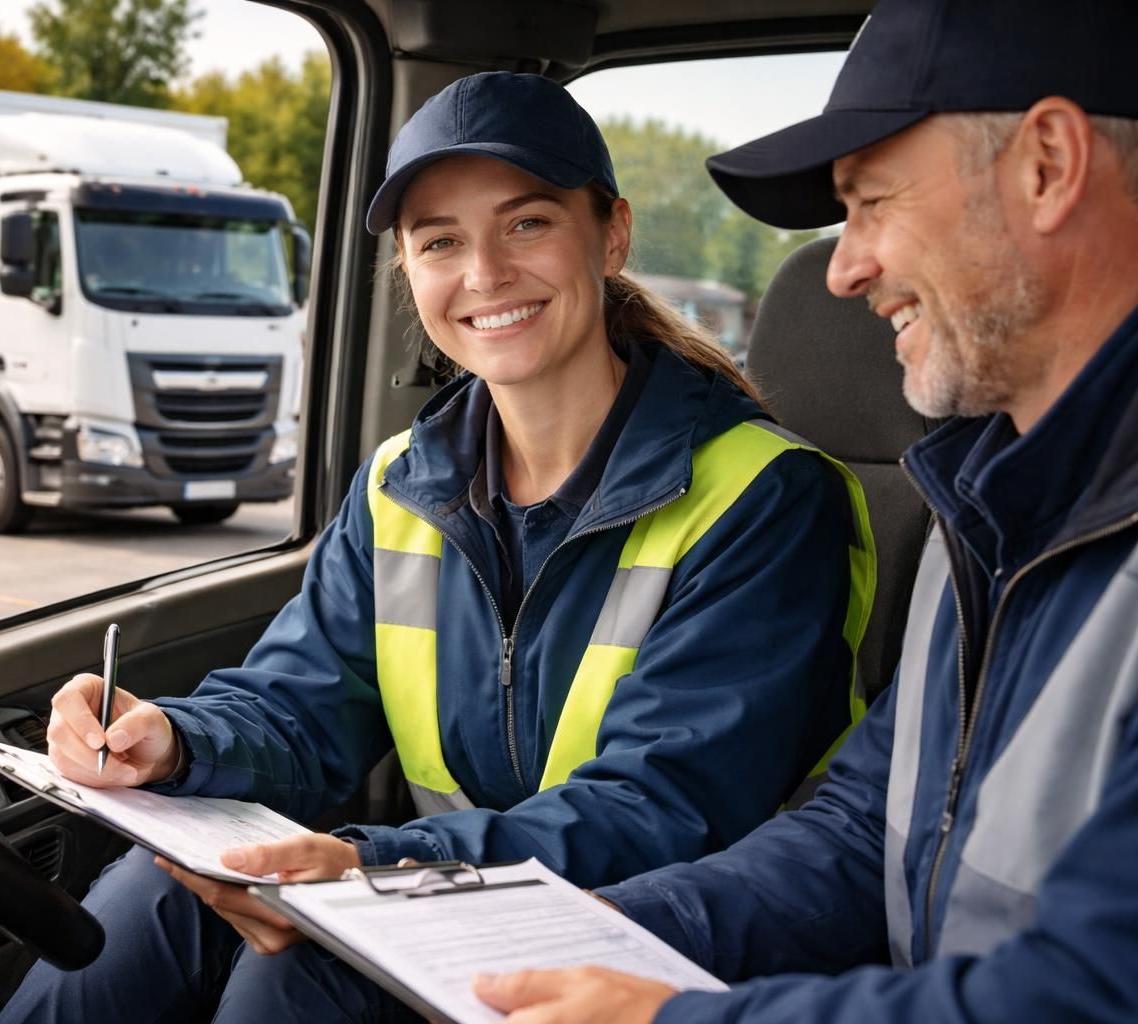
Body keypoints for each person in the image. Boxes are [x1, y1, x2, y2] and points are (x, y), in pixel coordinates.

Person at [0, 72, 875, 1023]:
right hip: (459, 894)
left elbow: (662, 807)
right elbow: (301, 703)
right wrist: (172, 740)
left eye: (527, 223)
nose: (484, 274)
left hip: (655, 933)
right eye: (441, 241)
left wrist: (383, 865)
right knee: (157, 889)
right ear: (410, 272)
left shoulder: (763, 494)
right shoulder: (399, 483)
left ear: (612, 234)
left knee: (303, 971)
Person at [472, 1, 1138, 1022]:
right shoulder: (985, 506)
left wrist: (666, 1018)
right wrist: (590, 933)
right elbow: (868, 829)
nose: (842, 267)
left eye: (870, 202)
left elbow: (1089, 994)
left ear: (1047, 165)